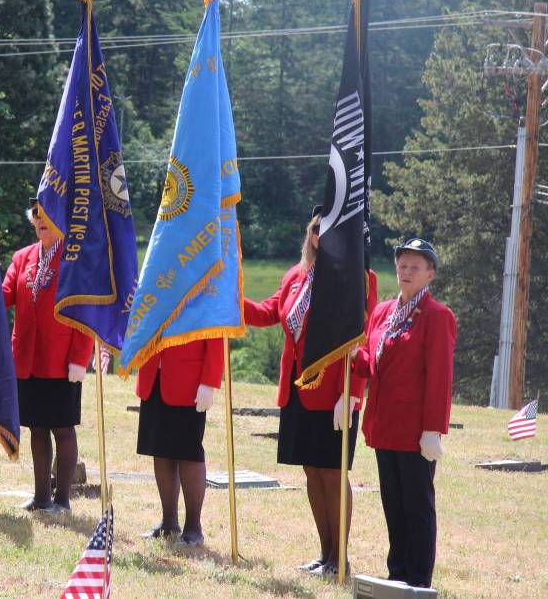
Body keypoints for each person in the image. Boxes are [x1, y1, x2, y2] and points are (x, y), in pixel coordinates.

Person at [243, 205, 377, 576]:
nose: (322, 235)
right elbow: (269, 312)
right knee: (311, 473)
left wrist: (352, 395)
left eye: (329, 229)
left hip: (334, 392)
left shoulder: (357, 279)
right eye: (316, 228)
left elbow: (365, 340)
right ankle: (324, 554)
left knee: (333, 473)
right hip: (297, 390)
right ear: (310, 234)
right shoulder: (296, 276)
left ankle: (341, 558)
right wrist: (229, 301)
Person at [352, 238, 455, 588]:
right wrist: (353, 355)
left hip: (415, 432)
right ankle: (397, 576)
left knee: (417, 507)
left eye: (415, 266)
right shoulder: (382, 311)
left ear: (430, 274)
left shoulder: (438, 317)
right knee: (393, 505)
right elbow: (373, 362)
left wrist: (433, 429)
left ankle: (418, 580)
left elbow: (439, 377)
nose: (407, 272)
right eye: (402, 265)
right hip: (384, 426)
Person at [2, 198, 94, 513]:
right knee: (37, 428)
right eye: (37, 216)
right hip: (27, 359)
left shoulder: (75, 260)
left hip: (62, 359)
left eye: (48, 216)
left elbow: (84, 313)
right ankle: (41, 497)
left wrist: (79, 360)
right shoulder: (22, 257)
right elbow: (4, 297)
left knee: (62, 428)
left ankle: (63, 499)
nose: (42, 220)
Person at [136, 339, 224, 546]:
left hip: (189, 380)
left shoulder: (203, 302)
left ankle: (193, 528)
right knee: (161, 450)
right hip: (153, 376)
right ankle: (168, 523)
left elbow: (216, 334)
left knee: (189, 453)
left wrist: (209, 381)